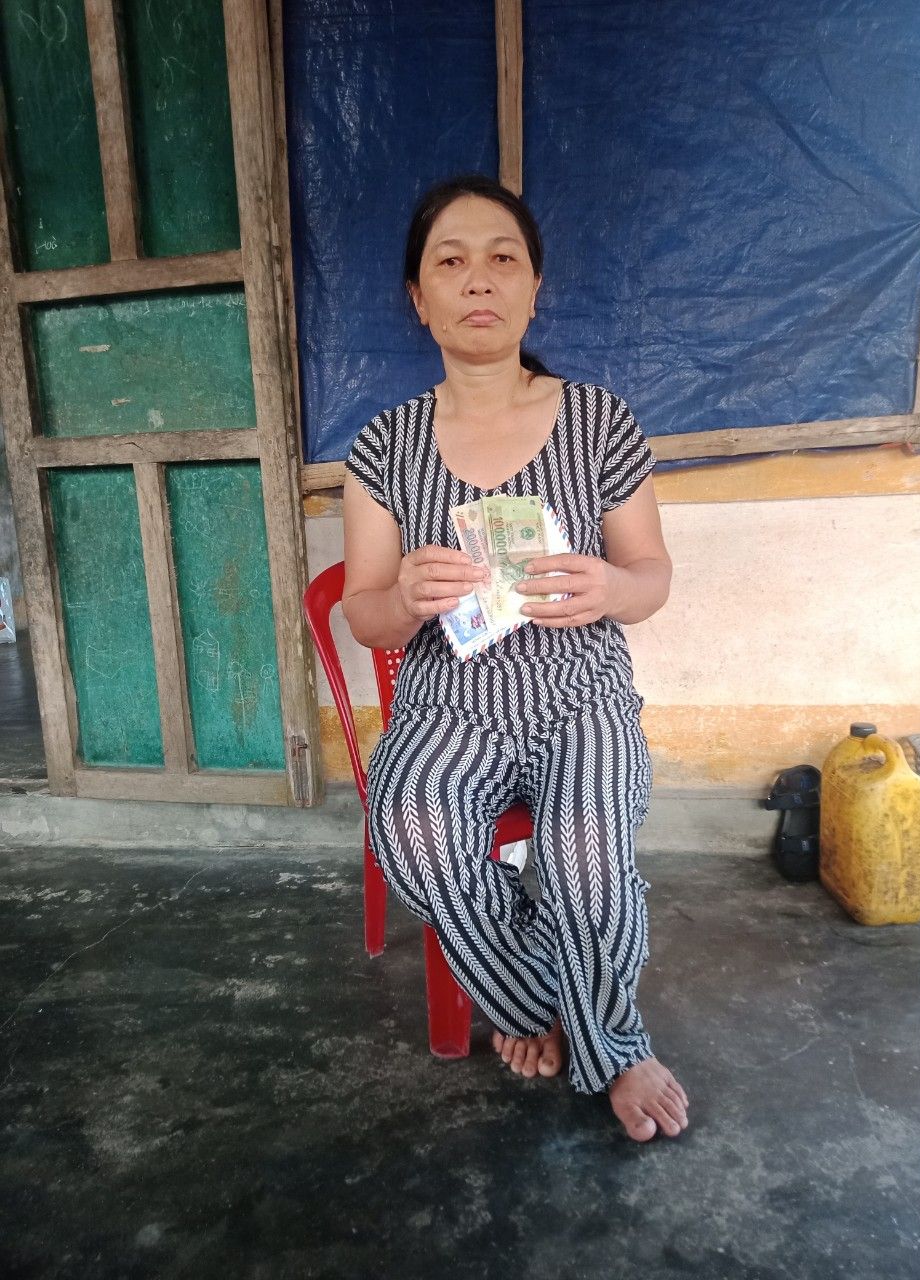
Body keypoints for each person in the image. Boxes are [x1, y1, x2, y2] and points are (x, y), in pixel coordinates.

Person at [341, 173, 689, 1142]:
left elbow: (653, 575)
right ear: (419, 298)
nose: (478, 279)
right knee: (412, 826)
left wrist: (611, 587)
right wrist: (403, 597)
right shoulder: (383, 448)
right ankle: (545, 1002)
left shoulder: (599, 421)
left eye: (503, 258)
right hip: (449, 702)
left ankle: (611, 1041)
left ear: (535, 288)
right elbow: (366, 617)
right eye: (449, 261)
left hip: (581, 691)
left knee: (584, 855)